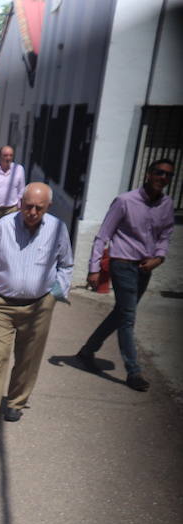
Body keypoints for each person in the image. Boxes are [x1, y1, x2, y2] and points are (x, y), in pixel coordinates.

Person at [0, 183, 73, 431]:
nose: (32, 211)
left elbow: (66, 264)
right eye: (28, 206)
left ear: (48, 207)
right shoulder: (4, 226)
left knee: (28, 357)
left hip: (39, 305)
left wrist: (56, 293)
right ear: (20, 203)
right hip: (1, 305)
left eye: (39, 208)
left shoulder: (57, 228)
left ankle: (16, 402)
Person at [76, 158, 176, 392]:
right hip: (122, 264)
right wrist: (93, 269)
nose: (163, 178)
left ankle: (87, 350)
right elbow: (103, 236)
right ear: (149, 174)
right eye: (159, 173)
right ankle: (134, 371)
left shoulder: (167, 204)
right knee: (128, 318)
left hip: (146, 267)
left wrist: (159, 258)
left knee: (121, 313)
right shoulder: (124, 201)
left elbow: (165, 235)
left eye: (168, 175)